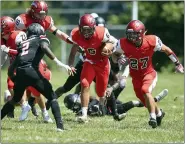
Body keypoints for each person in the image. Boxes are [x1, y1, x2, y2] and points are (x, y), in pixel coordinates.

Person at [1, 23, 75, 132]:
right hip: (32, 71)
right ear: (39, 32)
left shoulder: (23, 43)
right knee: (52, 97)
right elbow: (44, 47)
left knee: (15, 99)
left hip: (20, 71)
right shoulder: (41, 38)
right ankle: (60, 126)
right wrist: (60, 64)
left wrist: (15, 78)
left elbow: (13, 66)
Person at [112, 20, 184, 128]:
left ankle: (152, 118)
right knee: (143, 98)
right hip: (135, 77)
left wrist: (177, 63)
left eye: (135, 34)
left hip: (149, 73)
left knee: (145, 90)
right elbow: (114, 54)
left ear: (142, 33)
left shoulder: (151, 40)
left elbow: (167, 50)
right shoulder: (122, 43)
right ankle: (159, 114)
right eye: (130, 34)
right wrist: (118, 58)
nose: (132, 37)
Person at [14, 0, 74, 118]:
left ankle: (38, 108)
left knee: (37, 80)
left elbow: (57, 32)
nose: (41, 16)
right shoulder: (22, 20)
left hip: (36, 54)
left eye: (43, 13)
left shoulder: (46, 20)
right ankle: (26, 106)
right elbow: (14, 37)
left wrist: (69, 40)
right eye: (38, 13)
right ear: (32, 12)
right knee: (16, 82)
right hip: (21, 54)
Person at [69, 14, 117, 123]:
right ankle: (84, 115)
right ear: (79, 28)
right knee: (84, 83)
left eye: (88, 30)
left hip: (102, 63)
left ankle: (101, 105)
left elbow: (114, 42)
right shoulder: (75, 34)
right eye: (83, 30)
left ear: (94, 28)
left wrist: (107, 48)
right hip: (89, 61)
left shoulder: (102, 32)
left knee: (101, 92)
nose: (86, 33)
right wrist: (70, 64)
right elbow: (73, 51)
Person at [1, 16, 30, 118]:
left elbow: (24, 53)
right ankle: (20, 104)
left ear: (8, 29)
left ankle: (26, 106)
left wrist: (9, 50)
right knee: (11, 86)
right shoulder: (3, 39)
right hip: (14, 65)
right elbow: (2, 57)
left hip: (25, 64)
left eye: (2, 28)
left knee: (29, 90)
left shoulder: (17, 36)